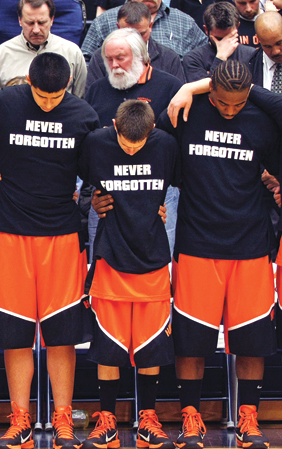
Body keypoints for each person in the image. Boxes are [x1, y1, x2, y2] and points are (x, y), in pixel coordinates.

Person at [0, 52, 100, 449]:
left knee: (62, 334)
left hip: (62, 233)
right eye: (42, 96)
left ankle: (62, 417)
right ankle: (21, 418)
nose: (48, 103)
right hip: (9, 231)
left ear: (69, 85)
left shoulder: (83, 114)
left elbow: (99, 166)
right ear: (28, 81)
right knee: (15, 333)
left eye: (56, 96)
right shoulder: (2, 103)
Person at [155, 61, 277, 449]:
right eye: (222, 102)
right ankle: (191, 416)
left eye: (237, 104)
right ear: (212, 94)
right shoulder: (188, 109)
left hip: (251, 243)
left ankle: (249, 416)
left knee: (252, 340)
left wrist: (201, 83)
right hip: (196, 242)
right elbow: (150, 143)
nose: (229, 110)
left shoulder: (261, 117)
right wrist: (190, 91)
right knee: (191, 340)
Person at [78, 100, 177, 449]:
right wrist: (91, 200)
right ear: (114, 127)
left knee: (151, 347)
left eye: (139, 145)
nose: (132, 150)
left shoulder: (166, 145)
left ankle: (147, 418)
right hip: (110, 257)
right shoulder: (96, 143)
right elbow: (72, 179)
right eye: (125, 143)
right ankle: (106, 420)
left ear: (151, 132)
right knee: (108, 348)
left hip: (152, 258)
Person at [85, 28, 181, 259]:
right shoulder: (97, 90)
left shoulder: (170, 87)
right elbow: (88, 144)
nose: (114, 65)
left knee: (160, 255)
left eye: (120, 58)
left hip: (157, 191)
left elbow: (177, 144)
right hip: (107, 191)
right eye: (109, 59)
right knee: (100, 258)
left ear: (141, 56)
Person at [0, 0, 87, 97]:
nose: (36, 30)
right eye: (30, 23)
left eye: (41, 22)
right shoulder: (0, 56)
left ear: (52, 20)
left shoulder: (72, 53)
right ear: (20, 20)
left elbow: (80, 101)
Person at [85, 1, 185, 90]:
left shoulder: (169, 58)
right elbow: (93, 96)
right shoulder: (101, 57)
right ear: (118, 27)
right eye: (129, 33)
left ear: (150, 26)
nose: (136, 40)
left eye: (141, 34)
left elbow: (178, 97)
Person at [81, 0, 206, 61]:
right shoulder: (104, 22)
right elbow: (85, 62)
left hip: (170, 99)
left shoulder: (183, 22)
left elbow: (205, 59)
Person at [182, 2, 255, 82]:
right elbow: (202, 92)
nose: (225, 43)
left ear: (238, 26)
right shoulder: (193, 59)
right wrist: (220, 58)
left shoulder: (252, 55)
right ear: (206, 30)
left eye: (230, 37)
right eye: (219, 38)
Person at [248, 9, 282, 88]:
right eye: (267, 46)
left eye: (279, 43)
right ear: (259, 39)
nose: (275, 51)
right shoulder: (249, 64)